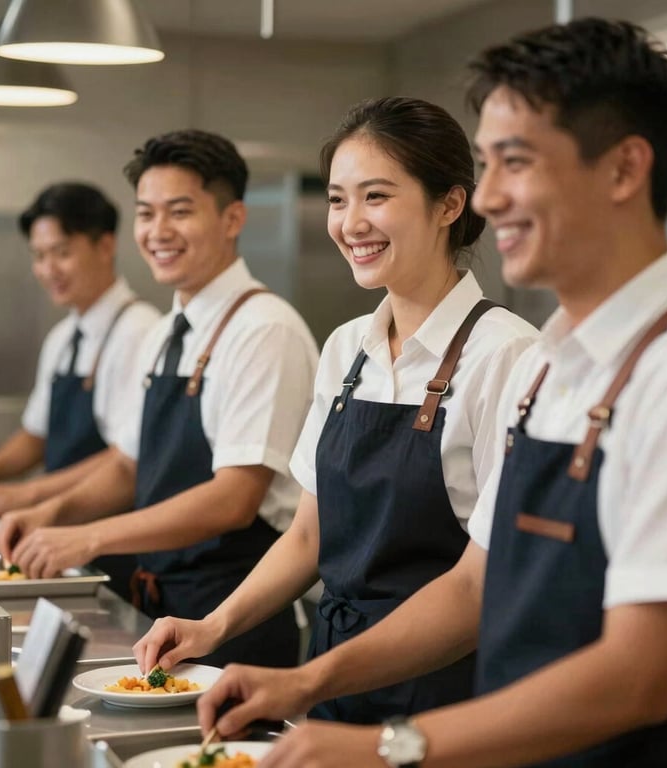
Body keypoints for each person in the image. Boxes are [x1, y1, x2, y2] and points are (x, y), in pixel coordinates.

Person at [189, 18, 667, 768]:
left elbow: (637, 680)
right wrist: (305, 682)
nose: (486, 196)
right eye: (483, 166)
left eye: (514, 163)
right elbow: (474, 587)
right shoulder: (553, 365)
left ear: (623, 169)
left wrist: (393, 746)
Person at [133, 97, 537, 723]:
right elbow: (307, 534)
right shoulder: (347, 348)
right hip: (332, 681)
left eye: (376, 197)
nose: (351, 223)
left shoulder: (507, 355)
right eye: (337, 199)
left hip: (441, 698)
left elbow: (481, 586)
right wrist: (211, 627)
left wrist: (310, 679)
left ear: (450, 205)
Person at [0, 129, 319, 669]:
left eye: (180, 211)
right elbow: (127, 465)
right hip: (162, 611)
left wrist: (89, 538)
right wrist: (51, 513)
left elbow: (234, 498)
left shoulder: (265, 330)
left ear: (233, 219)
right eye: (146, 213)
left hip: (232, 620)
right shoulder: (167, 331)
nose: (158, 231)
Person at [0, 182, 159, 600]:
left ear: (106, 245)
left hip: (110, 548)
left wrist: (25, 493)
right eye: (39, 257)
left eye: (62, 252)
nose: (48, 269)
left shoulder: (139, 331)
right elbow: (35, 436)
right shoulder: (64, 336)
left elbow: (124, 461)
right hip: (56, 541)